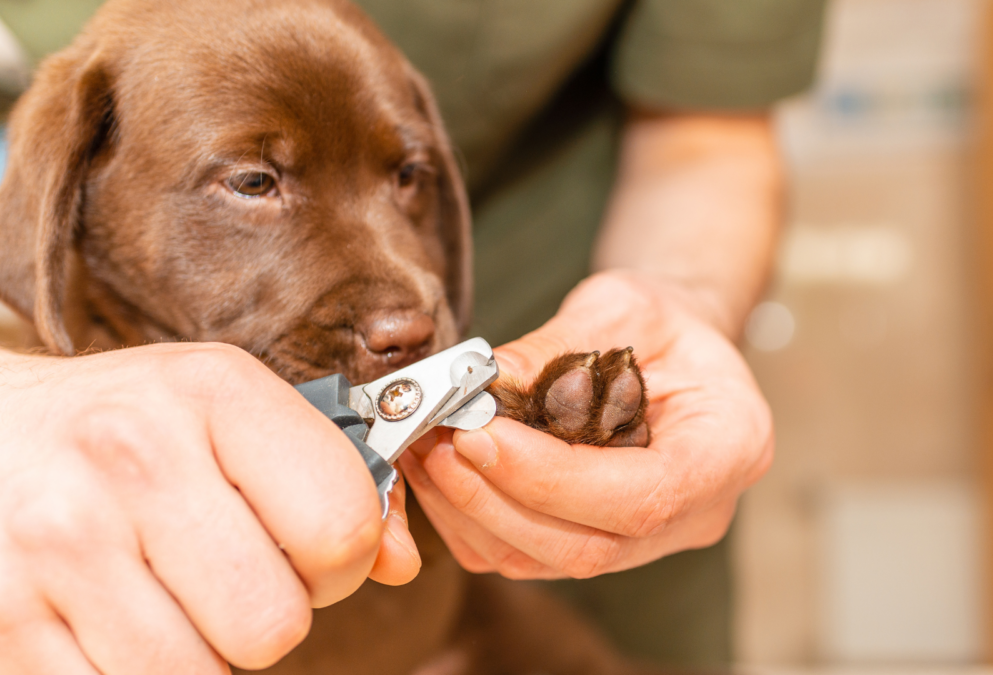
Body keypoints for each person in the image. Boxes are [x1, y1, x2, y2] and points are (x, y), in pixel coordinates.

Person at [0, 0, 826, 670]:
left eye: (405, 178)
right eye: (255, 181)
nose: (403, 307)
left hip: (511, 568)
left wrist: (676, 306)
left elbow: (706, 135)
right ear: (66, 189)